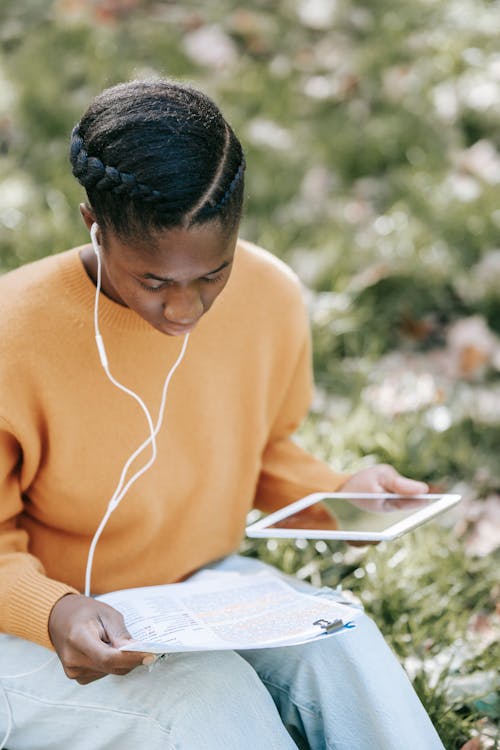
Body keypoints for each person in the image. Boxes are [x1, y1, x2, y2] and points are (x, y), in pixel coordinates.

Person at [0, 78, 445, 750]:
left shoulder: (269, 295)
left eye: (212, 275)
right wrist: (54, 610)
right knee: (211, 700)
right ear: (95, 224)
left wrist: (341, 495)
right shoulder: (15, 334)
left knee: (340, 643)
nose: (184, 310)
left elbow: (262, 448)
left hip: (191, 595)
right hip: (32, 626)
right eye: (155, 282)